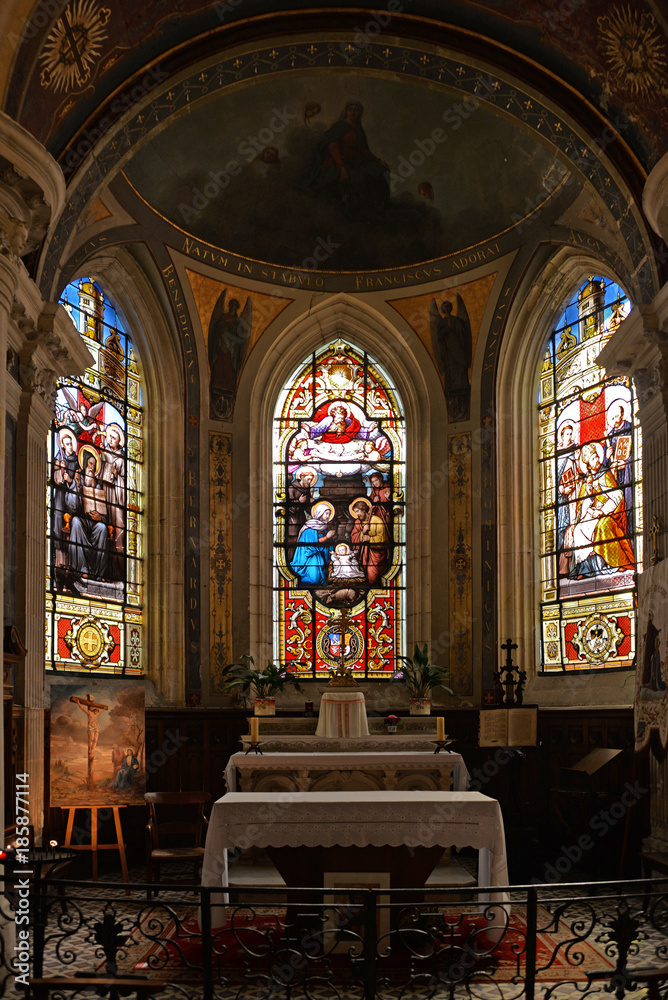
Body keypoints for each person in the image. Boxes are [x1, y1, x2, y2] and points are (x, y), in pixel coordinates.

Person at [308, 101, 390, 219]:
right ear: (345, 111)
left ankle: (380, 209)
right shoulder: (339, 127)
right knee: (359, 179)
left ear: (359, 113)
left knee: (382, 172)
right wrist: (341, 167)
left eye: (355, 110)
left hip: (357, 161)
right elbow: (332, 147)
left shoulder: (358, 129)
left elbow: (363, 150)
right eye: (350, 109)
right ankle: (355, 212)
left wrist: (378, 160)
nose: (352, 112)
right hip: (340, 162)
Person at [565, 442, 634, 579]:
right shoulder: (586, 483)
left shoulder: (606, 474)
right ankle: (585, 569)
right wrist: (588, 495)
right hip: (591, 516)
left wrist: (602, 511)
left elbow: (617, 497)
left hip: (610, 514)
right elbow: (581, 510)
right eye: (593, 458)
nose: (597, 460)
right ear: (588, 465)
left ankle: (612, 563)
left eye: (597, 456)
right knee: (578, 530)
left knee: (603, 525)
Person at [66, 452, 109, 581]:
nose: (92, 467)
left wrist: (101, 518)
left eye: (94, 465)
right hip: (81, 521)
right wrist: (77, 484)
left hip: (94, 523)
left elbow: (106, 513)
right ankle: (81, 569)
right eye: (90, 464)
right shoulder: (78, 480)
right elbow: (71, 506)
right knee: (76, 522)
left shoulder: (98, 486)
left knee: (102, 528)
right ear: (84, 464)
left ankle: (99, 573)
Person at [98, 423, 126, 575]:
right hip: (105, 491)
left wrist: (117, 477)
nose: (110, 440)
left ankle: (119, 567)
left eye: (113, 438)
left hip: (117, 494)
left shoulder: (122, 456)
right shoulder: (104, 452)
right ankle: (105, 568)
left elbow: (126, 478)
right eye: (109, 437)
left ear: (119, 440)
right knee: (104, 524)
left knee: (118, 528)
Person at [52, 429, 80, 571]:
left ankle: (71, 565)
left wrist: (70, 480)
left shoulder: (77, 462)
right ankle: (59, 561)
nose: (69, 447)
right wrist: (58, 469)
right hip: (60, 497)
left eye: (71, 444)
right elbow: (55, 479)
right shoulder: (59, 458)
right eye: (66, 444)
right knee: (58, 522)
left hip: (71, 499)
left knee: (71, 524)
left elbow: (79, 483)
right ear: (62, 446)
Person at [290, 501, 336, 585]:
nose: (328, 516)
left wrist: (331, 542)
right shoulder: (309, 528)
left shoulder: (324, 528)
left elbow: (328, 545)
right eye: (326, 513)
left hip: (320, 557)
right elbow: (311, 546)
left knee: (319, 579)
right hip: (310, 558)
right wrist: (327, 537)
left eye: (329, 514)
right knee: (314, 580)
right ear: (320, 513)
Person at [350, 497, 389, 586]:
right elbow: (353, 537)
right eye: (355, 512)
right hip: (363, 554)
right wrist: (362, 533)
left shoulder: (377, 520)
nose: (357, 514)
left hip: (375, 554)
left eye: (358, 511)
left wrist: (369, 539)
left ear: (364, 510)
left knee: (372, 577)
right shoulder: (357, 522)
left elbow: (382, 540)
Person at [287, 467, 318, 560]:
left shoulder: (306, 491)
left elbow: (308, 510)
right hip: (292, 522)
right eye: (308, 479)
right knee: (292, 544)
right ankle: (291, 561)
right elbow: (289, 508)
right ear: (302, 477)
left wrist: (312, 504)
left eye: (311, 480)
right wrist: (299, 502)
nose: (309, 481)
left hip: (301, 520)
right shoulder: (291, 488)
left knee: (301, 542)